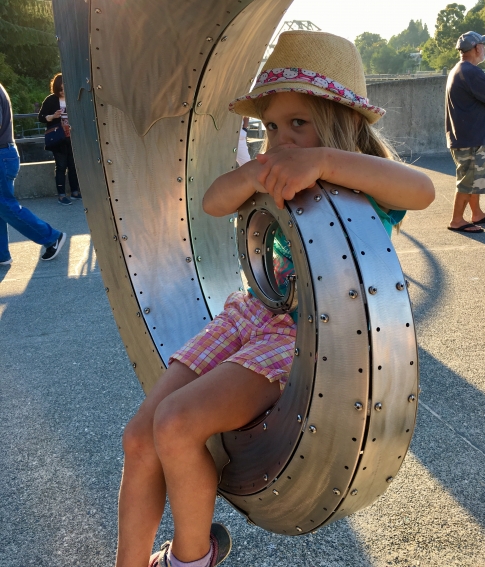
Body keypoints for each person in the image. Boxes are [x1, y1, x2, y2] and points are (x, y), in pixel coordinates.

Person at [115, 32, 435, 567]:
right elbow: (216, 203)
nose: (281, 139)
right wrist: (250, 173)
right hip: (249, 313)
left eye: (299, 123)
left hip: (303, 334)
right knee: (139, 436)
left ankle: (190, 558)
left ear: (341, 123)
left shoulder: (362, 186)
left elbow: (421, 190)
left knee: (176, 424)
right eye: (271, 126)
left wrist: (326, 162)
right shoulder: (268, 173)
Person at [0, 83, 66, 265]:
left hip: (1, 155)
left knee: (5, 204)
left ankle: (51, 237)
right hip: (5, 154)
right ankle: (1, 254)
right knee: (2, 206)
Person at [446, 30, 485, 233]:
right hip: (470, 137)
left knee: (475, 178)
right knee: (468, 179)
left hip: (466, 135)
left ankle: (477, 213)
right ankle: (457, 220)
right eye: (483, 46)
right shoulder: (472, 72)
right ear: (477, 48)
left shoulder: (459, 69)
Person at [38, 73, 81, 205]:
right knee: (61, 166)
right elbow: (41, 117)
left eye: (65, 88)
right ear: (56, 88)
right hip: (58, 138)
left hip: (73, 137)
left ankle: (75, 191)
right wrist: (53, 116)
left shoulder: (73, 98)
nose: (63, 91)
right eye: (61, 89)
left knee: (73, 166)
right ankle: (61, 195)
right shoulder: (51, 100)